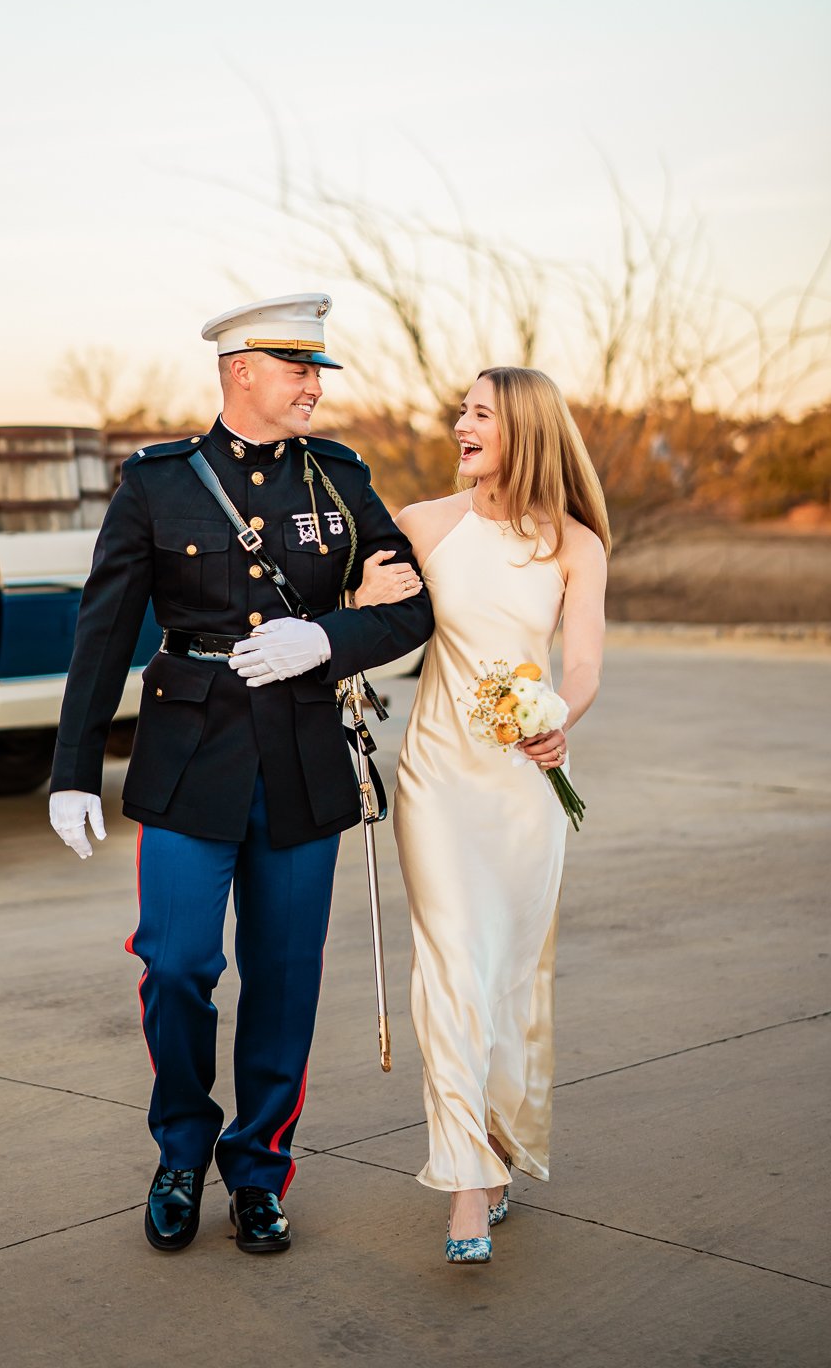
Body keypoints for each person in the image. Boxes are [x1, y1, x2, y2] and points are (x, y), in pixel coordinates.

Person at [48, 293, 432, 1256]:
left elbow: (412, 607)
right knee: (176, 965)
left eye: (319, 369)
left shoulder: (340, 479)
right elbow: (103, 635)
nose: (314, 384)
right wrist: (71, 770)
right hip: (189, 755)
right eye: (295, 367)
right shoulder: (158, 483)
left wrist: (327, 638)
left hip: (303, 753)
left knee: (286, 978)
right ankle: (181, 1150)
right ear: (239, 371)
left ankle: (259, 1168)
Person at [354, 364, 610, 1265]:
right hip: (436, 779)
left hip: (523, 789)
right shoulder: (424, 525)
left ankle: (498, 1149)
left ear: (524, 433)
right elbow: (367, 619)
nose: (460, 424)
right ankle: (464, 1179)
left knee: (505, 972)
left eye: (479, 415)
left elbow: (579, 665)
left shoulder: (576, 545)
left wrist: (558, 721)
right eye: (460, 411)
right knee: (452, 967)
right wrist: (358, 601)